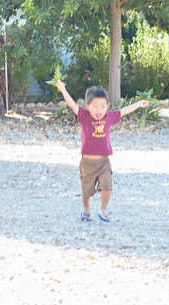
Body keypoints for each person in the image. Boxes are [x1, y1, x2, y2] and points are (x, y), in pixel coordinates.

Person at [55, 81, 149, 223]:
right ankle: (86, 208)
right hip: (87, 163)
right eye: (95, 106)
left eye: (103, 106)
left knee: (107, 186)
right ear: (88, 106)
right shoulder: (85, 116)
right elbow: (72, 105)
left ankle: (102, 210)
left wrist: (139, 104)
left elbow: (124, 111)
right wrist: (63, 89)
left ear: (107, 107)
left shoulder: (109, 117)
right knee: (87, 191)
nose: (99, 110)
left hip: (104, 161)